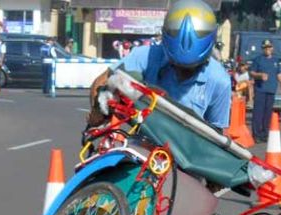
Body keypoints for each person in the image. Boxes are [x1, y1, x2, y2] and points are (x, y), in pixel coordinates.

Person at [89, 0, 231, 130]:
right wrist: (99, 111)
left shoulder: (219, 80)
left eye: (190, 70)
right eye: (176, 66)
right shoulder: (147, 55)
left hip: (187, 153)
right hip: (144, 144)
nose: (182, 73)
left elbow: (217, 134)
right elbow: (103, 80)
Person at [250, 39, 281, 142]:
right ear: (262, 49)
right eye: (265, 48)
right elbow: (252, 72)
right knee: (258, 113)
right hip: (260, 89)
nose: (267, 49)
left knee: (267, 113)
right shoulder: (258, 59)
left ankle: (264, 134)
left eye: (269, 47)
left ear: (272, 48)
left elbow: (278, 73)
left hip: (271, 90)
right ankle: (256, 135)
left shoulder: (275, 60)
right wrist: (260, 75)